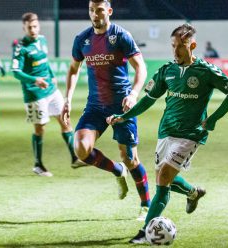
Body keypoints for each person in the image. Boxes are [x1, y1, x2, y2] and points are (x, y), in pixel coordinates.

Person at [107, 23, 228, 243]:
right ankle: (193, 192)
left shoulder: (206, 71)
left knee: (165, 176)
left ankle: (145, 232)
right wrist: (125, 116)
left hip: (191, 134)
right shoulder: (166, 71)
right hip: (166, 131)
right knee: (163, 178)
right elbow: (149, 100)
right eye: (173, 46)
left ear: (192, 45)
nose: (176, 51)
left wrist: (213, 119)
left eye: (181, 46)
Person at [62, 0, 151, 219]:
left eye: (99, 10)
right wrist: (68, 98)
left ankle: (146, 205)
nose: (95, 14)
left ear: (109, 11)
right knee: (81, 149)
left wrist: (133, 95)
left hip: (121, 106)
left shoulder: (121, 36)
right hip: (95, 106)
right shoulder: (82, 39)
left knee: (130, 158)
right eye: (91, 10)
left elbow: (141, 67)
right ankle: (116, 170)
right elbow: (74, 69)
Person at [11, 12, 85, 177]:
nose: (33, 30)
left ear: (39, 26)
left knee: (65, 121)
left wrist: (52, 77)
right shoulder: (20, 47)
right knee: (40, 129)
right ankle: (38, 165)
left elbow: (45, 61)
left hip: (51, 90)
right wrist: (35, 79)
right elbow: (15, 72)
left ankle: (75, 158)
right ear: (24, 28)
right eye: (29, 27)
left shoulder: (42, 40)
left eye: (35, 26)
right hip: (34, 94)